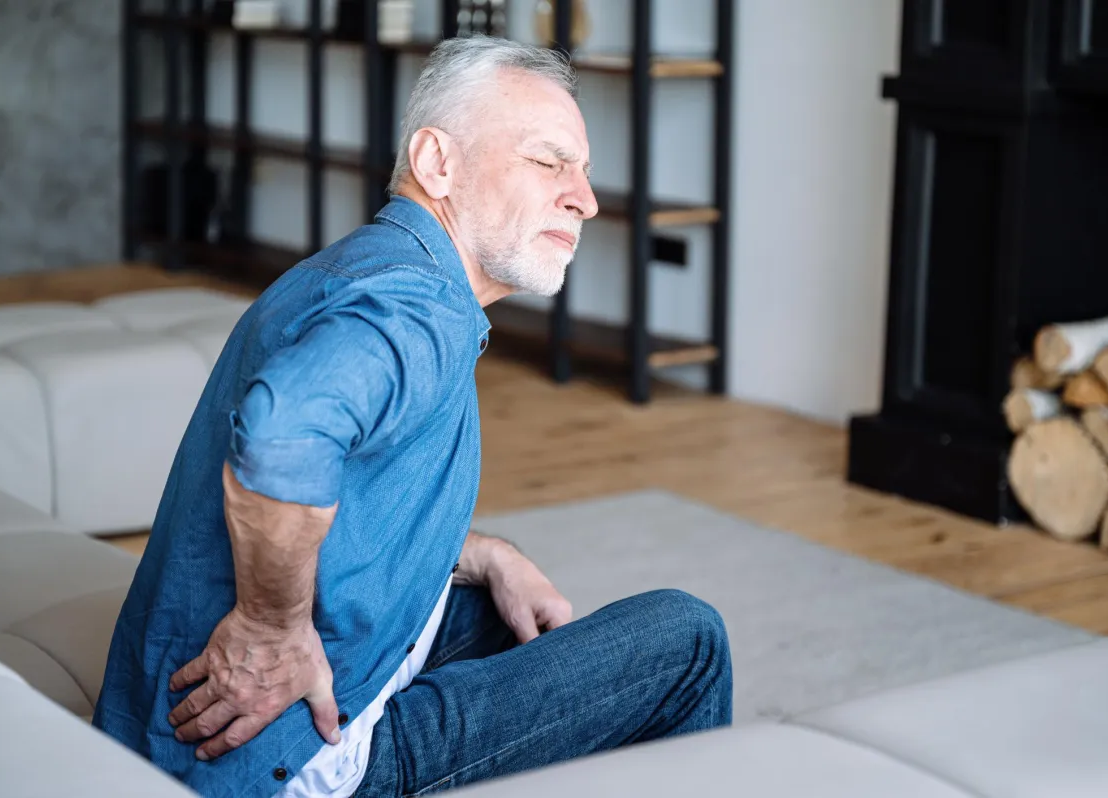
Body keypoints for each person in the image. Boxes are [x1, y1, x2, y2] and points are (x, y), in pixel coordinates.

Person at [92, 35, 732, 798]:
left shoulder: (375, 267)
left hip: (169, 731)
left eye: (584, 172)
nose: (585, 198)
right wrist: (270, 630)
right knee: (686, 642)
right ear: (437, 164)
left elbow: (351, 486)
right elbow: (283, 434)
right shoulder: (419, 306)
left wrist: (483, 554)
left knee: (507, 624)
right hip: (285, 758)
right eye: (548, 161)